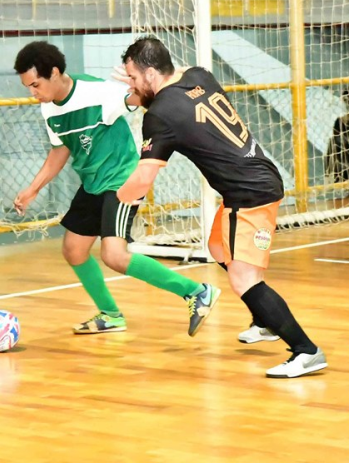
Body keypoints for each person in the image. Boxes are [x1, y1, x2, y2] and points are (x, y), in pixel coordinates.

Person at [116, 36, 326, 378]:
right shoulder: (199, 76)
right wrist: (139, 89)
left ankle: (306, 350)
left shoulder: (160, 115)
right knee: (219, 248)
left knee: (244, 280)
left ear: (151, 74)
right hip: (255, 181)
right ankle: (265, 321)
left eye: (135, 78)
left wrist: (113, 203)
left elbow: (142, 180)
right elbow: (172, 89)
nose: (132, 85)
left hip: (248, 195)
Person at [13, 41, 220, 336]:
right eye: (28, 87)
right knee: (74, 250)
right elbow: (59, 150)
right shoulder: (49, 109)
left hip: (122, 180)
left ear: (55, 73)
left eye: (35, 84)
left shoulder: (96, 93)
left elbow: (141, 98)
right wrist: (33, 189)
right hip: (94, 183)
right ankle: (110, 315)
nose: (32, 93)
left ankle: (196, 291)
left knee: (114, 255)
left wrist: (145, 86)